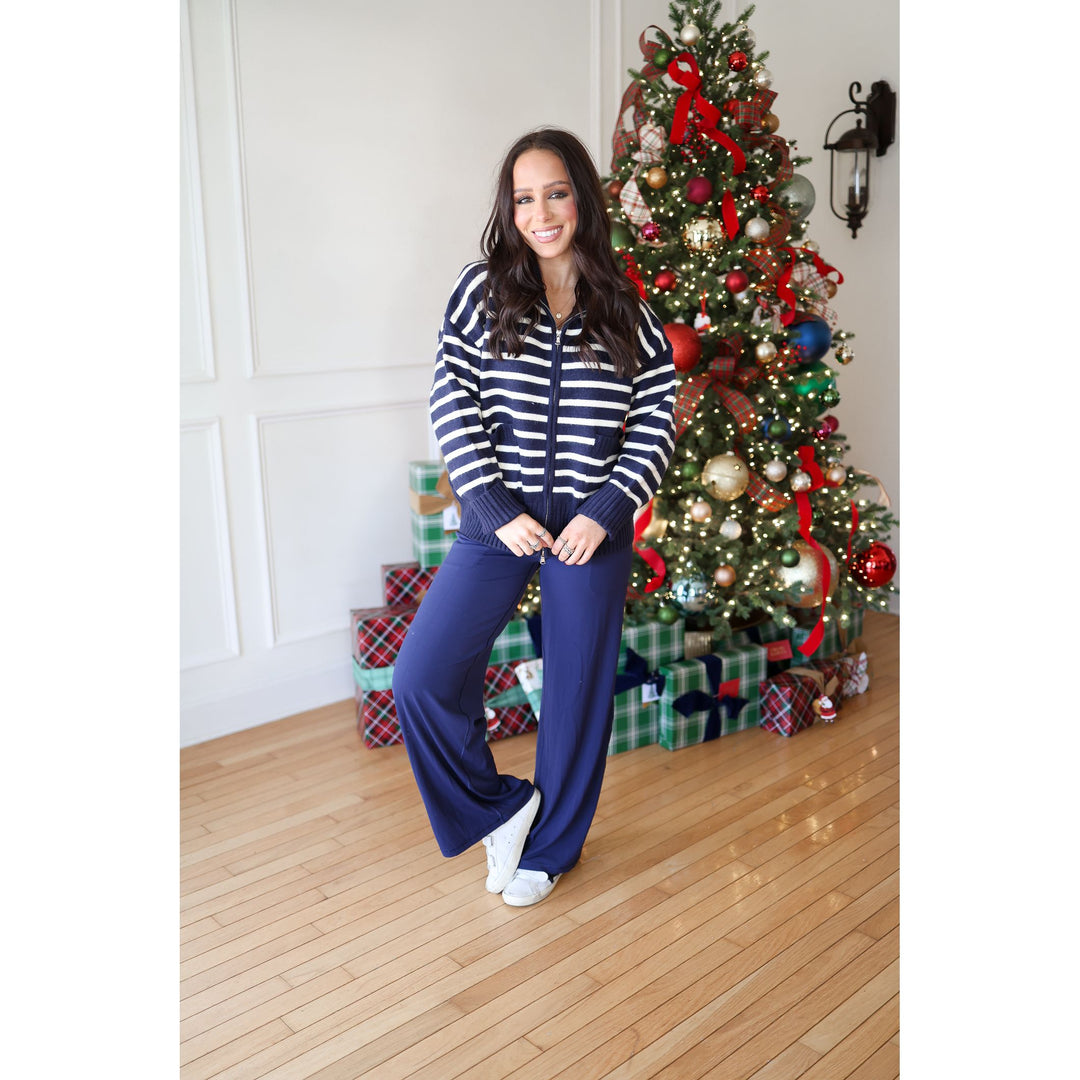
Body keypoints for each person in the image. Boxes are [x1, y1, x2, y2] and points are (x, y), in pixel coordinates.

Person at [393, 127, 676, 907]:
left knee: (576, 693)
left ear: (581, 196)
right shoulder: (481, 289)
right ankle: (501, 807)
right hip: (501, 517)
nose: (541, 211)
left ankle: (552, 850)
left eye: (555, 192)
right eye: (524, 197)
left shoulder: (628, 307)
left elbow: (657, 417)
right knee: (421, 675)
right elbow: (452, 396)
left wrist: (610, 507)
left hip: (591, 526)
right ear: (508, 208)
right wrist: (486, 501)